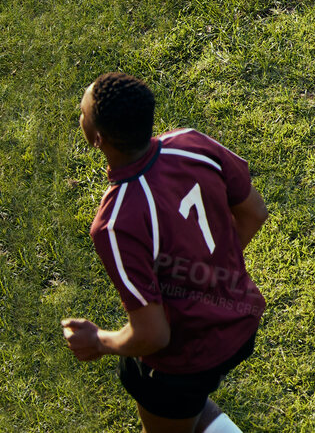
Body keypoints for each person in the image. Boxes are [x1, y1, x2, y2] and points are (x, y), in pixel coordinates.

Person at [61, 72, 267, 433]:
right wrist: (214, 269)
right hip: (242, 319)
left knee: (172, 405)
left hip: (184, 358)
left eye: (82, 112)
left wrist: (99, 341)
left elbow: (153, 335)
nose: (79, 114)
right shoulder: (193, 143)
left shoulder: (116, 223)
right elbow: (254, 213)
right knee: (187, 404)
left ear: (97, 139)